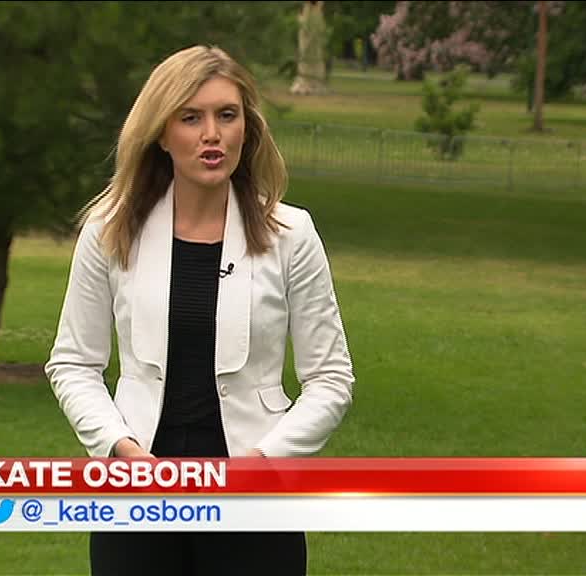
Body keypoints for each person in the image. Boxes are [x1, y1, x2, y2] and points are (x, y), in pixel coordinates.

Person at [44, 45, 355, 575]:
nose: (213, 134)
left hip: (254, 496)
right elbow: (74, 364)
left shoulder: (292, 235)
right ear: (161, 134)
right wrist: (121, 449)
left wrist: (265, 460)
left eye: (226, 115)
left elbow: (330, 379)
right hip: (138, 493)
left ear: (246, 129)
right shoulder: (109, 231)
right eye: (191, 118)